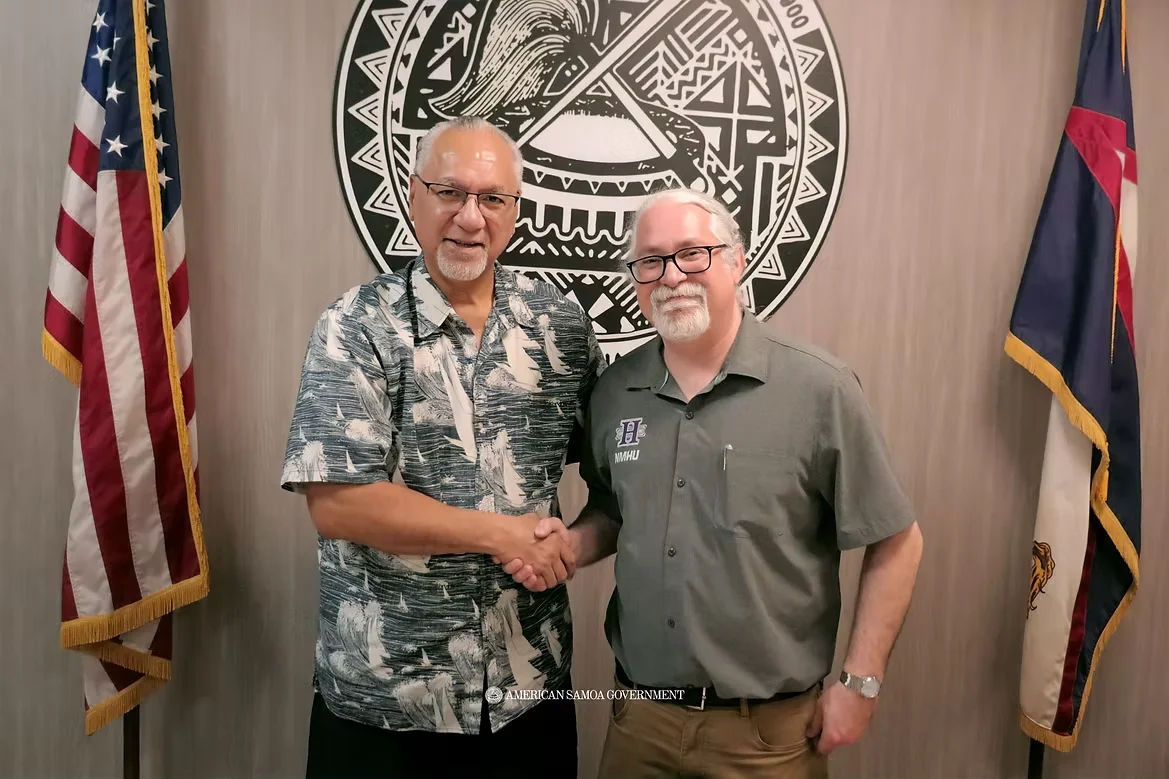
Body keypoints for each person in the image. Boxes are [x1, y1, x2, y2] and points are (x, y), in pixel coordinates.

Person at [504, 187, 924, 778]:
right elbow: (614, 511)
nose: (672, 276)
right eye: (651, 260)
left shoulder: (819, 389)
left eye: (692, 253)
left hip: (767, 740)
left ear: (736, 261)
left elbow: (898, 540)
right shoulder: (616, 391)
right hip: (638, 724)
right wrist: (571, 545)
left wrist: (861, 684)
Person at [280, 115, 604, 778]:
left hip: (527, 694)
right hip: (387, 702)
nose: (470, 217)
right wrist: (502, 534)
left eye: (492, 198)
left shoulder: (560, 326)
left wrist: (569, 545)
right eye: (449, 192)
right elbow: (337, 502)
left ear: (515, 210)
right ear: (413, 195)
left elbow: (616, 475)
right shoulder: (357, 324)